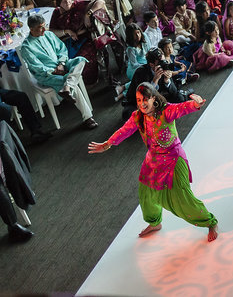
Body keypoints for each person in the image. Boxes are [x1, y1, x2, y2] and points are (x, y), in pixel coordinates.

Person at [89, 84, 218, 242]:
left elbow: (182, 108)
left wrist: (196, 104)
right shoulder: (138, 116)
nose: (142, 103)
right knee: (146, 195)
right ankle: (155, 223)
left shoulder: (165, 111)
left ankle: (209, 221)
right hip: (153, 161)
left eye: (145, 99)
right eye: (138, 100)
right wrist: (108, 143)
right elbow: (125, 130)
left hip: (173, 160)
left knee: (182, 198)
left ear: (154, 99)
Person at [20, 14, 97, 129]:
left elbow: (62, 50)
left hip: (62, 65)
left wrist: (61, 64)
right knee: (71, 83)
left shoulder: (49, 35)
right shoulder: (26, 47)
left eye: (44, 26)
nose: (44, 30)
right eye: (40, 28)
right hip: (47, 75)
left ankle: (67, 87)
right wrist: (54, 71)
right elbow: (37, 67)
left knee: (80, 60)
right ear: (31, 29)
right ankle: (88, 117)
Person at [50, 0, 107, 85]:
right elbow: (51, 31)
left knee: (82, 59)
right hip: (67, 41)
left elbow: (101, 2)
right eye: (64, 1)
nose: (67, 2)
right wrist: (67, 32)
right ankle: (70, 83)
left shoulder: (78, 5)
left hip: (85, 38)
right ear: (59, 4)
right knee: (60, 60)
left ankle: (88, 83)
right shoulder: (57, 12)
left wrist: (88, 14)